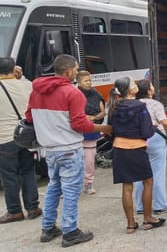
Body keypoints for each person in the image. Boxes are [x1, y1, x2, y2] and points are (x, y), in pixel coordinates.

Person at [25, 54, 112, 247]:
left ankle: (48, 229)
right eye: (75, 68)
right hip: (69, 149)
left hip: (49, 148)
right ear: (68, 71)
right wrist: (102, 128)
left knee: (54, 187)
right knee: (71, 191)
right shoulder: (72, 93)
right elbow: (80, 123)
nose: (76, 71)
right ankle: (70, 232)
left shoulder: (36, 91)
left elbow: (29, 117)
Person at [107, 76, 165, 233]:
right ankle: (148, 218)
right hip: (137, 148)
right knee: (148, 181)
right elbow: (147, 132)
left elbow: (110, 130)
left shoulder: (114, 106)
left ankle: (131, 224)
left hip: (119, 148)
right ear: (129, 90)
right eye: (133, 83)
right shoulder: (140, 106)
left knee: (127, 186)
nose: (135, 84)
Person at [0, 57, 42, 224]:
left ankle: (14, 211)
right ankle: (33, 207)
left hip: (4, 138)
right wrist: (22, 76)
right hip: (26, 136)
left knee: (9, 175)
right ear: (14, 69)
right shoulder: (27, 85)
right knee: (28, 171)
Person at [133, 79, 167, 215]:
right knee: (157, 173)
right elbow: (165, 123)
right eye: (151, 86)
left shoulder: (133, 104)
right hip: (155, 138)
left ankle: (140, 206)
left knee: (140, 173)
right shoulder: (155, 104)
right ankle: (160, 204)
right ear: (149, 91)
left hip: (138, 139)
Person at [76, 71, 106, 195]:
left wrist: (93, 118)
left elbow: (103, 112)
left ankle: (88, 183)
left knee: (89, 160)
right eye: (85, 80)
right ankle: (72, 186)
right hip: (76, 132)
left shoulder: (96, 94)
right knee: (75, 161)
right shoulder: (74, 94)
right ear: (78, 82)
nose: (88, 83)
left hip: (90, 131)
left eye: (89, 80)